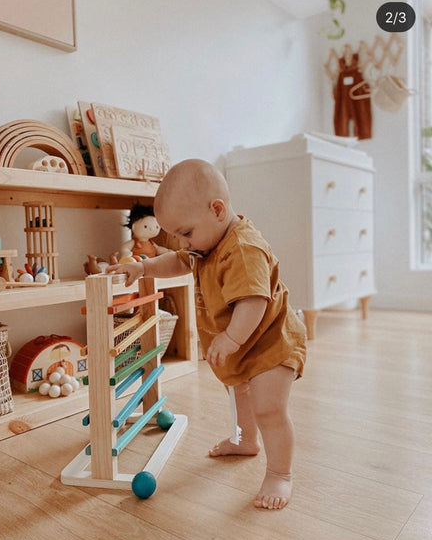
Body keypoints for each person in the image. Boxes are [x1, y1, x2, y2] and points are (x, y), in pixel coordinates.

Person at [107, 159, 307, 510]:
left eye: (185, 233)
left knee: (268, 408)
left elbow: (253, 300)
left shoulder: (244, 250)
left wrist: (230, 339)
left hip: (271, 341)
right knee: (240, 393)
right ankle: (246, 440)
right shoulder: (205, 244)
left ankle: (280, 474)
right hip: (242, 342)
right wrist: (143, 267)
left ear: (217, 209)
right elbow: (180, 261)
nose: (183, 242)